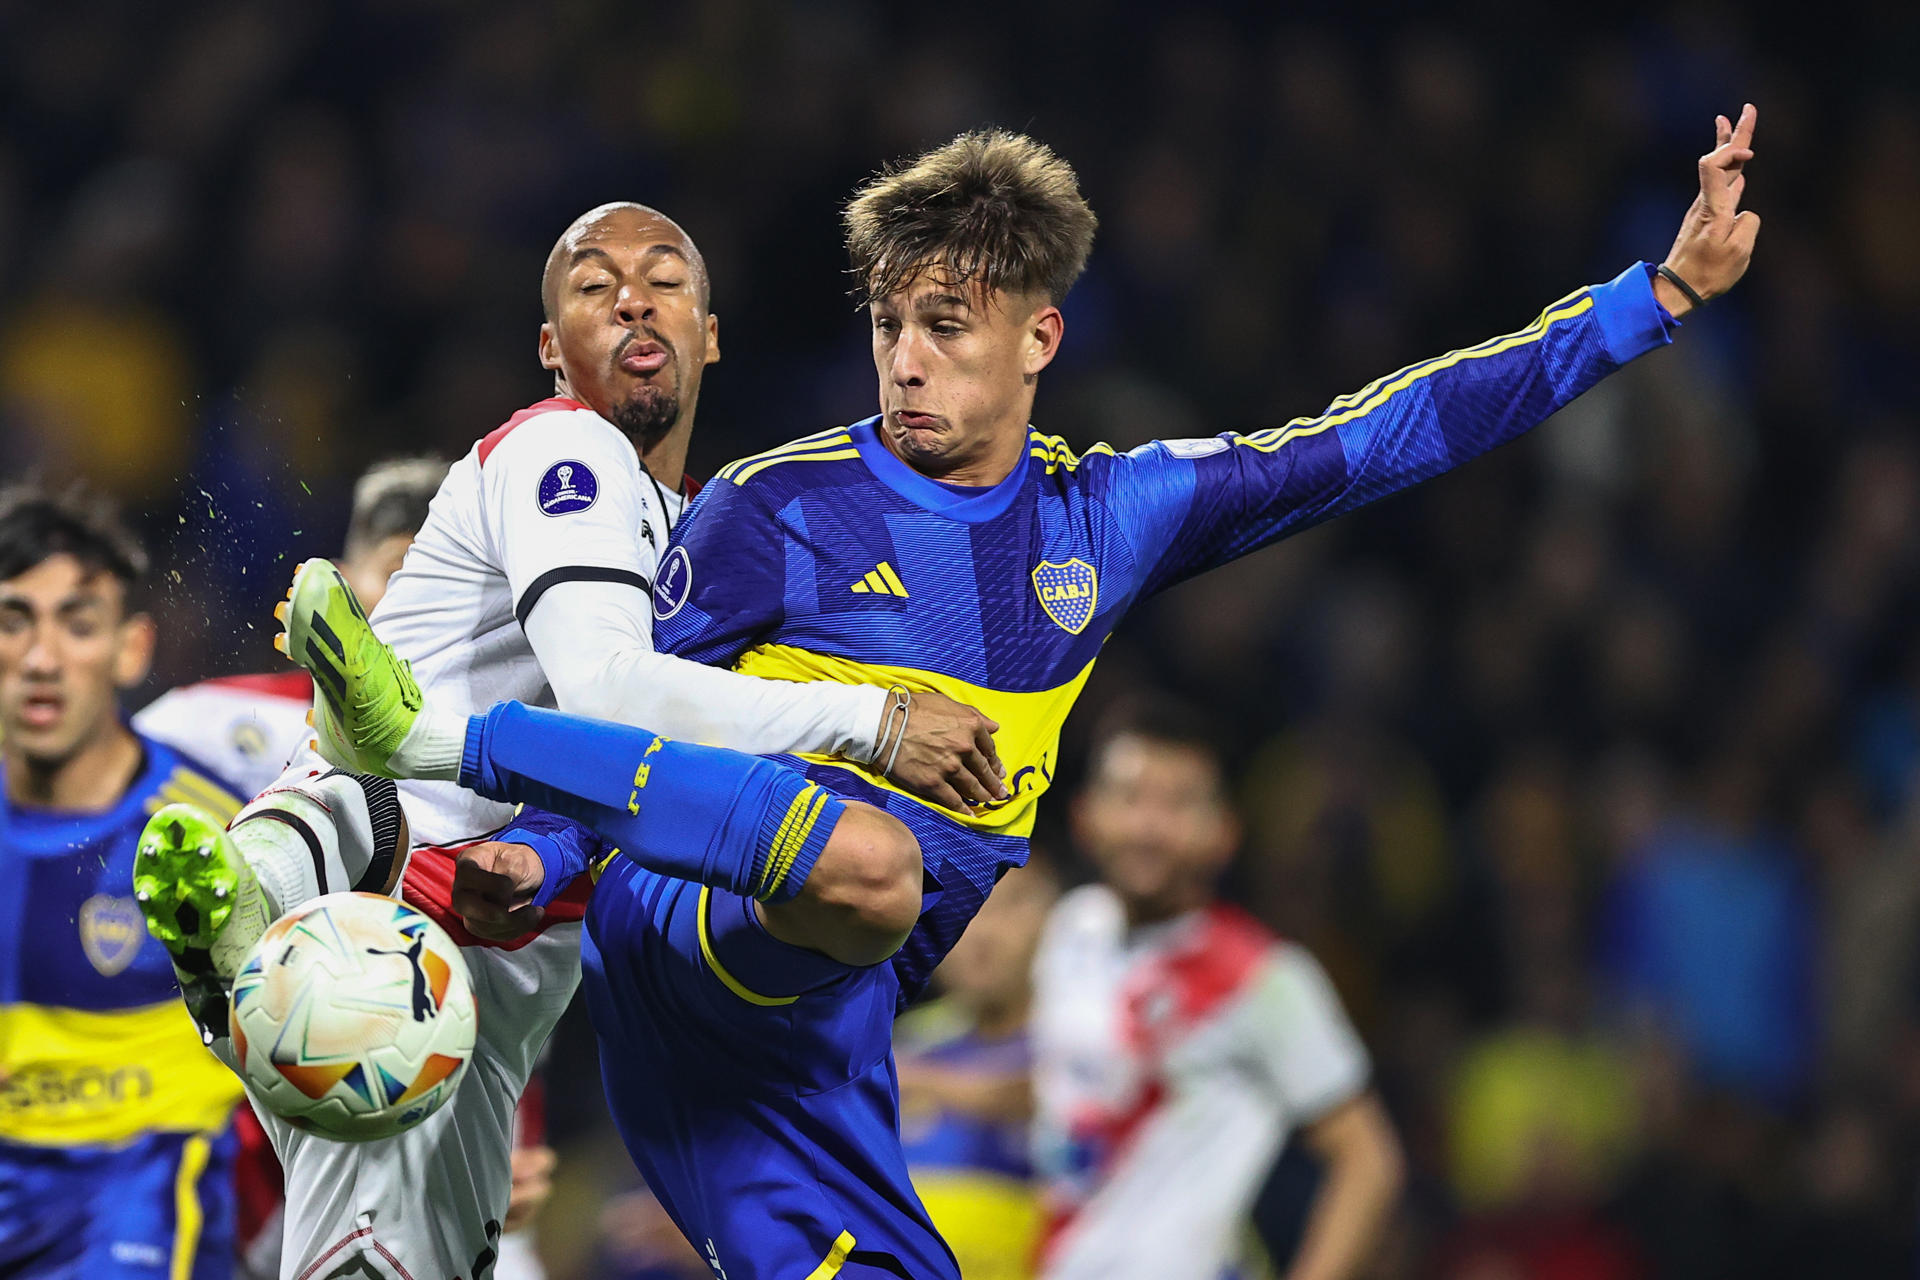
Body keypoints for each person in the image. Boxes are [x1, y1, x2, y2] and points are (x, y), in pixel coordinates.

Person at [291, 108, 1761, 1278]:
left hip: (828, 1027)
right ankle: (419, 739)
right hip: (694, 926)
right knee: (874, 857)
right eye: (886, 327)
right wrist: (533, 857)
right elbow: (630, 711)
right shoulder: (767, 509)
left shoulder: (1111, 520)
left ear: (1039, 339)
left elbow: (1378, 439)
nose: (904, 363)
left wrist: (1656, 298)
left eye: (946, 326)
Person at [135, 203, 998, 1280]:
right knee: (349, 810)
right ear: (553, 352)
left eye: (664, 279)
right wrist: (876, 724)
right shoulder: (567, 446)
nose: (632, 296)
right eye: (594, 286)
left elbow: (662, 770)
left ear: (711, 331)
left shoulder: (702, 531)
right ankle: (257, 909)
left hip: (508, 957)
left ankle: (251, 938)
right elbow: (610, 692)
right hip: (402, 903)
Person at [1031, 697, 1403, 1279]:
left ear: (1224, 833)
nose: (1149, 827)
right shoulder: (1069, 931)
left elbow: (1369, 1161)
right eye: (1130, 798)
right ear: (1085, 816)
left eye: (1178, 804)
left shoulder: (1262, 977)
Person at [0, 487, 246, 1279]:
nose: (41, 659)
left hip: (135, 1196)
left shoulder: (211, 834)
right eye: (12, 620)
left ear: (130, 649)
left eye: (78, 624)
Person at [135, 456, 450, 800]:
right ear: (338, 588)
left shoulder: (503, 753)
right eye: (397, 572)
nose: (427, 599)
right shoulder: (201, 722)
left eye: (452, 582)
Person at [896, 861, 1057, 1280]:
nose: (982, 933)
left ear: (1058, 921)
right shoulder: (903, 1043)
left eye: (1009, 908)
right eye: (966, 910)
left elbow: (1063, 1097)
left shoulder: (1085, 1038)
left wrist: (925, 1084)